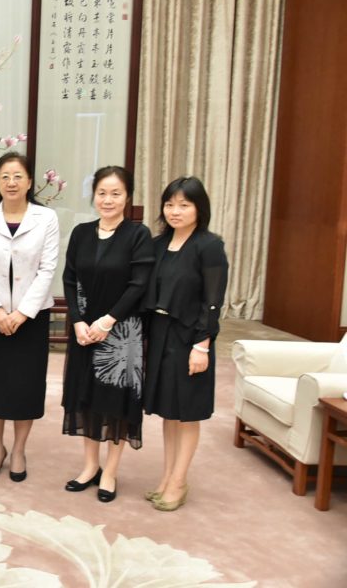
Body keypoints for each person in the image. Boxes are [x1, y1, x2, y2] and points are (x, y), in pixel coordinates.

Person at [60, 166, 154, 502]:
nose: (108, 200)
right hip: (84, 331)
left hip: (121, 334)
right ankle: (89, 466)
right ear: (93, 195)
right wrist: (78, 322)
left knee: (115, 403)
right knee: (86, 398)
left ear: (127, 197)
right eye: (102, 193)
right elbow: (70, 279)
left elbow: (138, 284)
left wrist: (106, 322)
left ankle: (110, 472)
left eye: (116, 193)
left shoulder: (137, 235)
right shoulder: (81, 233)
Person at [0, 152, 59, 482]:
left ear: (30, 182)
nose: (11, 182)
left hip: (31, 317)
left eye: (18, 176)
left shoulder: (46, 218)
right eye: (5, 176)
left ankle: (19, 449)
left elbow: (48, 268)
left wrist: (21, 313)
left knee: (25, 386)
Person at [142, 176, 228, 512]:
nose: (175, 211)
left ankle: (179, 481)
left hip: (190, 335)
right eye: (170, 204)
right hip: (161, 332)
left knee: (187, 412)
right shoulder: (159, 243)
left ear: (199, 208)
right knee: (168, 411)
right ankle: (166, 476)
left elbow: (212, 301)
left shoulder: (209, 246)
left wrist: (202, 345)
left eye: (184, 204)